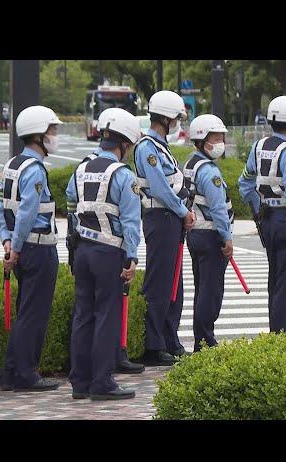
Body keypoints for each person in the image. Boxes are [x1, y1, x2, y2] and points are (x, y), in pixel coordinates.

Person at [65, 107, 142, 400]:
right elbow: (132, 221)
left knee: (83, 315)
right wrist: (132, 256)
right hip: (109, 253)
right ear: (123, 144)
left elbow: (71, 205)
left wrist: (74, 244)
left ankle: (79, 383)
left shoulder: (81, 169)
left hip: (83, 251)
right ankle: (102, 383)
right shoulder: (123, 175)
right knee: (106, 315)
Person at [0, 105, 62, 391]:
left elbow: (1, 210)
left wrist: (7, 242)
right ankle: (26, 374)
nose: (55, 136)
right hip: (37, 250)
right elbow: (26, 213)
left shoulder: (12, 166)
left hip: (22, 249)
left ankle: (11, 373)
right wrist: (18, 246)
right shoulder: (34, 171)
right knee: (33, 315)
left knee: (25, 311)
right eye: (52, 131)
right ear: (37, 135)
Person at [238, 95, 286, 332]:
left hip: (268, 220)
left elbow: (245, 182)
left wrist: (258, 208)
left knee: (275, 278)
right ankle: (281, 336)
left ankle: (275, 333)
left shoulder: (259, 146)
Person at [133, 90, 195, 365]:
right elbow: (159, 188)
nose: (178, 123)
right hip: (161, 219)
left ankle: (169, 338)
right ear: (168, 119)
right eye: (177, 118)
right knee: (159, 282)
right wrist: (183, 211)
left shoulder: (160, 147)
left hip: (172, 220)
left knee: (174, 283)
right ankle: (153, 345)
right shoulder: (147, 147)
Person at [184, 114, 234, 351]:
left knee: (201, 288)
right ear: (202, 140)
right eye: (216, 137)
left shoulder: (191, 163)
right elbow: (218, 209)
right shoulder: (209, 172)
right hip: (211, 235)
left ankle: (200, 339)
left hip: (195, 235)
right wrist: (227, 238)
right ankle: (205, 341)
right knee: (211, 292)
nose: (220, 142)